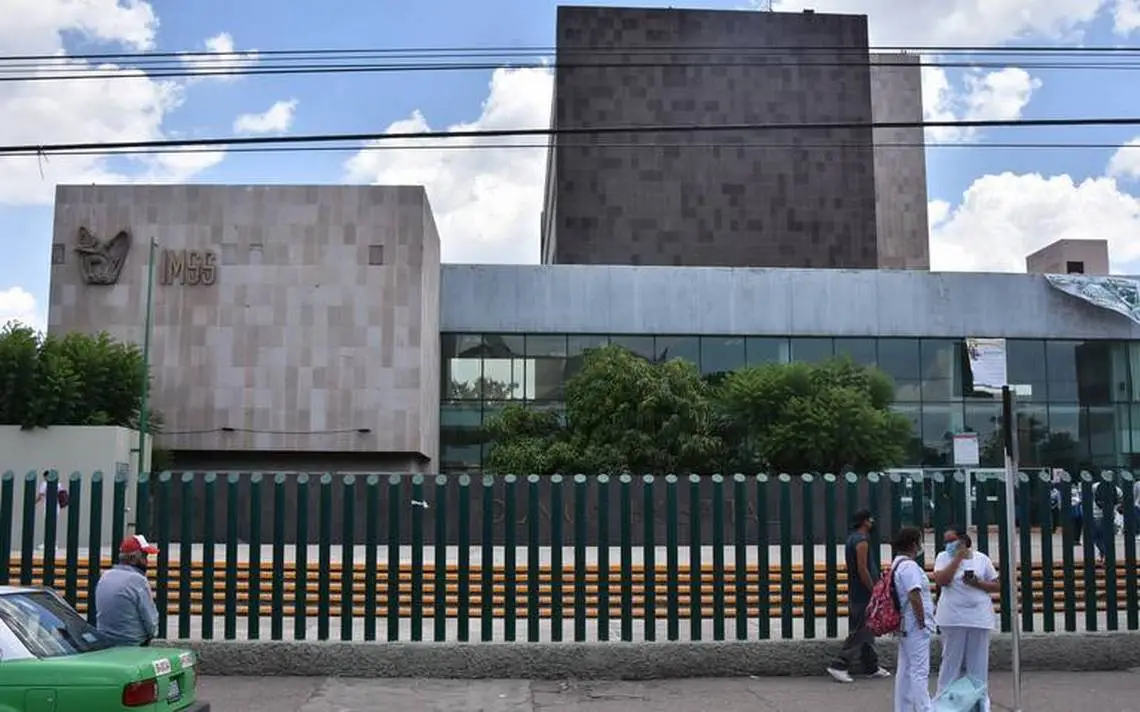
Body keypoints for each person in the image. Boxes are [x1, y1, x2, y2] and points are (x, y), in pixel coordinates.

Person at [932, 525, 999, 712]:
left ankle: (980, 701)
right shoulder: (943, 557)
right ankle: (943, 702)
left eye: (952, 540)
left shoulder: (981, 559)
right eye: (946, 541)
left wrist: (977, 583)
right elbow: (942, 580)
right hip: (952, 618)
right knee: (950, 662)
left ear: (963, 540)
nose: (948, 545)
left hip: (979, 617)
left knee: (978, 663)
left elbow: (996, 585)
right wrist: (958, 558)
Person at [827, 509, 892, 683]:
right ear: (865, 521)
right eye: (870, 519)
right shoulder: (861, 541)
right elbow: (862, 569)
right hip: (864, 592)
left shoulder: (852, 539)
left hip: (857, 590)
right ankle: (839, 664)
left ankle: (871, 666)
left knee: (867, 629)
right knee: (862, 629)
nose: (873, 522)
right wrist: (874, 590)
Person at [891, 525, 934, 712]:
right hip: (914, 623)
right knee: (920, 670)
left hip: (905, 623)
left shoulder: (897, 564)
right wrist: (922, 621)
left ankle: (903, 708)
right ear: (913, 544)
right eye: (919, 541)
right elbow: (914, 595)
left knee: (905, 668)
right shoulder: (909, 567)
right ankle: (924, 708)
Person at [95, 534, 160, 647]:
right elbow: (151, 623)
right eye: (144, 557)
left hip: (106, 643)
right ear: (133, 558)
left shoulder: (105, 576)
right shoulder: (138, 580)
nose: (147, 562)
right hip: (133, 643)